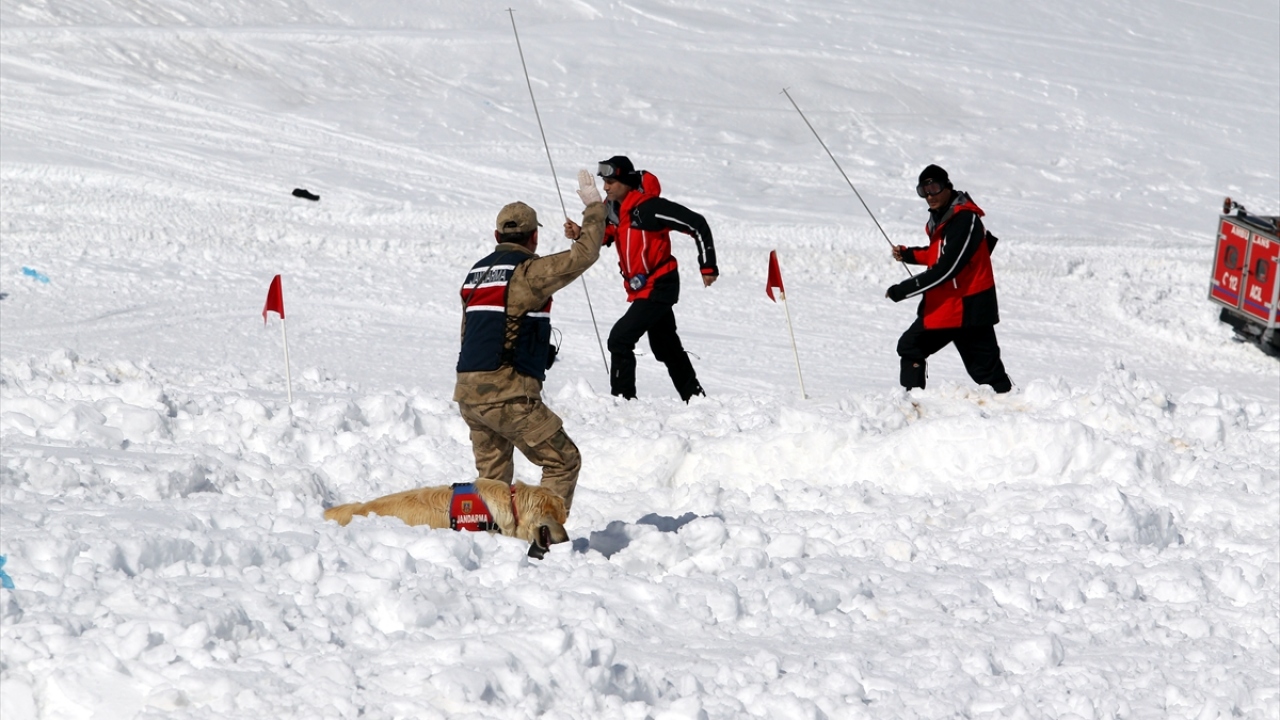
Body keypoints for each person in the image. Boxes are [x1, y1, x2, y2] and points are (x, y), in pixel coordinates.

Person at [454, 197, 606, 514]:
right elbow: (585, 255)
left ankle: (484, 545)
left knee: (492, 480)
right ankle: (542, 540)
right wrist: (594, 208)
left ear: (497, 236)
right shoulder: (527, 273)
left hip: (469, 396)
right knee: (563, 460)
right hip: (506, 395)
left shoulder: (475, 275)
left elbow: (473, 331)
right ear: (534, 237)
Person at [563, 156, 718, 402]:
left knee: (620, 338)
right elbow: (608, 234)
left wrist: (708, 265)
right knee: (665, 346)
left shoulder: (649, 207)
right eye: (605, 182)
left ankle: (623, 400)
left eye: (611, 182)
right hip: (645, 288)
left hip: (659, 285)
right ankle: (695, 398)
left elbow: (697, 224)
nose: (606, 187)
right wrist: (581, 233)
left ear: (626, 181)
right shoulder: (618, 210)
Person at [885, 164, 1012, 393]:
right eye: (923, 191)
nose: (930, 195)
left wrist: (902, 290)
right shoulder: (943, 218)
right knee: (910, 346)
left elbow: (947, 268)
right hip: (949, 307)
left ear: (948, 187)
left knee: (987, 373)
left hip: (970, 310)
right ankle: (913, 405)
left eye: (934, 187)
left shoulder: (965, 219)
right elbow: (939, 254)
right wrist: (908, 254)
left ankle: (1016, 414)